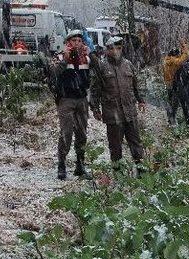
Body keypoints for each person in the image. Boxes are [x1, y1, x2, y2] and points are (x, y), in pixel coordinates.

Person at [90, 36, 146, 174]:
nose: (116, 51)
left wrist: (141, 100)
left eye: (119, 48)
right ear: (108, 50)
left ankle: (142, 172)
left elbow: (136, 85)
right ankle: (118, 174)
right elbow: (95, 89)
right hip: (112, 113)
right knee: (115, 147)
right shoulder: (102, 67)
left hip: (130, 112)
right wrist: (95, 108)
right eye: (112, 48)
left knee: (136, 144)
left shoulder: (128, 65)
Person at [48, 29, 91, 180]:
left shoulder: (86, 57)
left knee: (82, 134)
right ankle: (62, 165)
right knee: (66, 133)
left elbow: (98, 71)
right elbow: (52, 72)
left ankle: (80, 165)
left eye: (79, 41)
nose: (77, 43)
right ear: (68, 42)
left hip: (82, 100)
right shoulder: (59, 55)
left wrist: (90, 54)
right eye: (74, 41)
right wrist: (65, 59)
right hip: (66, 100)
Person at [162, 40, 189, 125]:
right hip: (174, 83)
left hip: (168, 83)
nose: (179, 56)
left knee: (171, 101)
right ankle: (173, 119)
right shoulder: (174, 61)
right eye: (178, 55)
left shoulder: (167, 59)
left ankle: (171, 118)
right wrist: (185, 47)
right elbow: (184, 58)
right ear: (175, 55)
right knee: (176, 101)